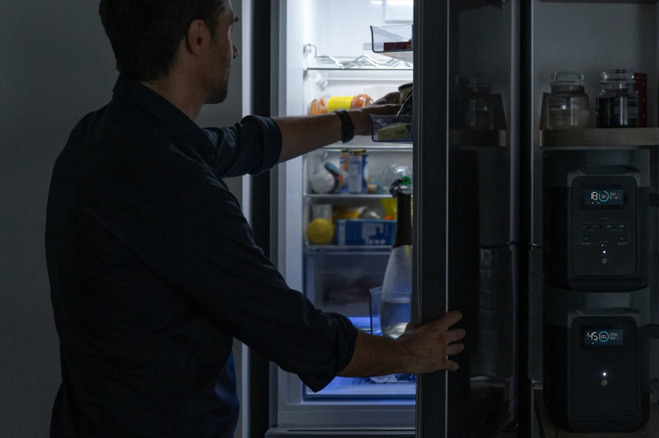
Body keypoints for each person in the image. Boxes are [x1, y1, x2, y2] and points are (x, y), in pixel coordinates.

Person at [45, 0, 465, 436]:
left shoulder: (103, 136)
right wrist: (408, 355)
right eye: (229, 29)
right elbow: (289, 328)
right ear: (198, 37)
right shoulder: (179, 189)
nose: (234, 50)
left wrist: (357, 120)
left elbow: (244, 143)